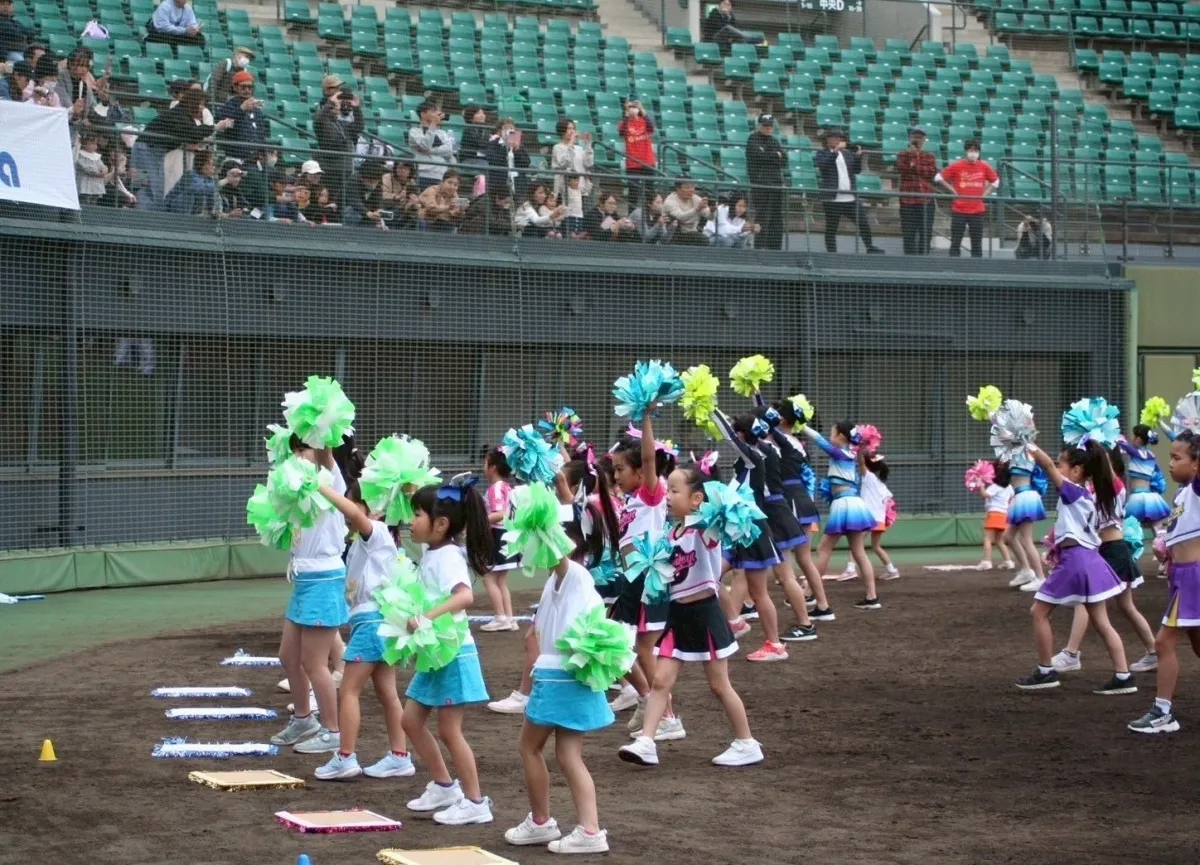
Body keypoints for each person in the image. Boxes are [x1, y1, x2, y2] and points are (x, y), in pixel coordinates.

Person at [618, 457, 764, 769]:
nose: (668, 496)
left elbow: (727, 514)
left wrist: (746, 474)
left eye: (674, 491)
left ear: (696, 498)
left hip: (705, 615)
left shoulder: (704, 530)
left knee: (719, 685)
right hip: (678, 617)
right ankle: (647, 742)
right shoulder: (670, 535)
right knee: (661, 682)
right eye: (667, 490)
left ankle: (747, 743)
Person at [503, 496, 614, 854]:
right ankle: (586, 829)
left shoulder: (573, 575)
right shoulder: (559, 578)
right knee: (567, 755)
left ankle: (544, 822)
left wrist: (543, 528)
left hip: (561, 678)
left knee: (530, 747)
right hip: (564, 676)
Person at [401, 480, 495, 826]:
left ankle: (475, 801)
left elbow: (464, 596)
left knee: (449, 731)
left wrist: (426, 617)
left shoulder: (449, 557)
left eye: (417, 514)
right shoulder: (434, 551)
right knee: (410, 720)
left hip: (453, 654)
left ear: (440, 524)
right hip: (437, 654)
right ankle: (444, 786)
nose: (411, 521)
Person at [311, 481, 413, 782]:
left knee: (349, 690)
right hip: (379, 623)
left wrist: (320, 487)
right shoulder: (364, 540)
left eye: (351, 501)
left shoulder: (375, 532)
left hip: (371, 624)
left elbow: (356, 515)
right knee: (387, 692)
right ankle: (399, 756)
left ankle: (346, 756)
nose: (346, 509)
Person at [1013, 442, 1134, 694]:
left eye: (1062, 464)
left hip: (1076, 560)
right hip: (1091, 560)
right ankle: (1123, 675)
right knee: (1102, 621)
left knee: (1038, 612)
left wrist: (1026, 443)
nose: (1058, 468)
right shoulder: (1086, 494)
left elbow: (1047, 465)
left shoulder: (1073, 490)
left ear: (1076, 470)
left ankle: (1045, 671)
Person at [269, 435, 352, 755]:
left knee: (315, 664)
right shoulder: (294, 485)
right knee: (288, 657)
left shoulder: (328, 477)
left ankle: (332, 731)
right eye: (295, 450)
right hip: (304, 578)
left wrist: (320, 432)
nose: (299, 456)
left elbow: (326, 455)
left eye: (304, 449)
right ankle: (304, 719)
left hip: (324, 578)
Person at [1050, 446, 1158, 676]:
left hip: (1113, 551)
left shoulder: (1114, 486)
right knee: (1124, 606)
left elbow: (1105, 466)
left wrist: (1095, 444)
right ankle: (1154, 651)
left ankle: (1071, 654)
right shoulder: (1092, 490)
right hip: (1107, 550)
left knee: (1087, 603)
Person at [609, 416, 680, 735]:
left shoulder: (651, 494)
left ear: (641, 472)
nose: (615, 476)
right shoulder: (634, 499)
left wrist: (647, 415)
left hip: (647, 581)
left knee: (643, 649)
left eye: (621, 469)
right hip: (632, 580)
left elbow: (650, 457)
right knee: (623, 644)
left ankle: (666, 716)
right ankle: (650, 703)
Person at [1128, 432, 1200, 733]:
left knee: (1163, 642)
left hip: (1194, 577)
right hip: (1182, 576)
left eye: (1177, 458)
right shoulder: (1182, 495)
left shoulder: (1196, 489)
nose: (1169, 463)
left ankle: (1163, 712)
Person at [805, 422, 882, 610]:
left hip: (844, 504)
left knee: (823, 549)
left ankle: (808, 593)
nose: (830, 435)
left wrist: (802, 425)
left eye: (832, 432)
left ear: (841, 436)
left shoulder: (840, 453)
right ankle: (872, 597)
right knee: (859, 552)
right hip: (854, 503)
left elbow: (819, 440)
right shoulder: (851, 454)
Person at [769, 397, 834, 620]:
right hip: (802, 501)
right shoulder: (796, 441)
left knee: (784, 567)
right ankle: (823, 606)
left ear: (782, 419)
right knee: (804, 559)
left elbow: (763, 423)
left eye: (775, 413)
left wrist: (755, 394)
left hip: (791, 503)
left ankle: (803, 620)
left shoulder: (780, 441)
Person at [814, 128, 884, 254]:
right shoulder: (822, 153)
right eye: (835, 138)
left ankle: (869, 246)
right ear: (828, 139)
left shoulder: (847, 154)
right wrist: (835, 151)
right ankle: (832, 252)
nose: (838, 140)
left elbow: (856, 170)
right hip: (833, 198)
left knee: (863, 222)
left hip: (850, 198)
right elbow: (823, 166)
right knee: (832, 227)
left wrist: (858, 157)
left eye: (839, 138)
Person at [935, 139, 999, 258]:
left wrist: (985, 194)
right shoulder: (957, 165)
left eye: (975, 150)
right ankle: (954, 265)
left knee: (977, 243)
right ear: (966, 151)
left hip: (977, 211)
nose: (973, 153)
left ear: (979, 152)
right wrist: (952, 190)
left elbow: (996, 181)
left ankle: (977, 266)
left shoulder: (984, 166)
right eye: (970, 150)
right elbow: (938, 177)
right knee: (955, 242)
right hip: (959, 210)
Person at [480, 446, 519, 631]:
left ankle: (500, 617)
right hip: (509, 536)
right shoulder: (507, 487)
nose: (483, 467)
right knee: (500, 580)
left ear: (493, 467)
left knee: (488, 577)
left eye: (485, 463)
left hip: (499, 536)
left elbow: (499, 513)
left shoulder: (495, 488)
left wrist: (478, 523)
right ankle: (509, 618)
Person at [1003, 450, 1049, 592]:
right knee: (1008, 537)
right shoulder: (1015, 454)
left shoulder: (1023, 453)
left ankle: (1040, 578)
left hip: (1025, 496)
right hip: (1021, 496)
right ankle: (1026, 571)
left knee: (1026, 539)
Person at [314, 86, 364, 207]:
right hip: (329, 169)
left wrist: (356, 108)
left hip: (345, 170)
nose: (337, 107)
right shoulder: (321, 123)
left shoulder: (342, 124)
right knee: (327, 201)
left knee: (340, 203)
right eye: (334, 106)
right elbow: (319, 119)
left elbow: (359, 127)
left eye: (337, 106)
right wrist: (331, 102)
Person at [1117, 425, 1173, 526]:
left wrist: (1115, 436)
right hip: (1151, 497)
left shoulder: (1136, 452)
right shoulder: (1151, 456)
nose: (1132, 439)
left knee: (1130, 526)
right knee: (1156, 527)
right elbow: (1159, 474)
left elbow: (1122, 444)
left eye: (1133, 436)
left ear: (1138, 439)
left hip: (1137, 497)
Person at [745, 114, 786, 250]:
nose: (768, 128)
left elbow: (784, 160)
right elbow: (759, 156)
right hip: (761, 185)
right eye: (765, 125)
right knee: (763, 217)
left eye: (770, 126)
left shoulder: (774, 141)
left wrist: (770, 155)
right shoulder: (753, 139)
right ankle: (760, 247)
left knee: (776, 218)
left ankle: (775, 248)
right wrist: (775, 155)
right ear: (760, 125)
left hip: (776, 184)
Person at [895, 126, 937, 255]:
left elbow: (931, 172)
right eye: (915, 137)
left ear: (924, 140)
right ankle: (910, 259)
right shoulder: (902, 154)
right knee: (908, 232)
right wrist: (913, 157)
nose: (917, 140)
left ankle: (924, 258)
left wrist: (914, 166)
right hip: (908, 200)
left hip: (926, 200)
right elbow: (902, 170)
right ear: (910, 138)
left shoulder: (929, 156)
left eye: (920, 138)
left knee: (926, 232)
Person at [861, 454, 899, 580]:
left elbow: (860, 462)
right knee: (876, 546)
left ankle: (850, 569)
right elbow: (890, 504)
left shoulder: (868, 477)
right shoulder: (882, 485)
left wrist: (859, 450)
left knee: (857, 544)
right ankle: (891, 570)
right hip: (880, 520)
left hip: (869, 518)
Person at [215, 70, 269, 159]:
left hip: (255, 158)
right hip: (236, 157)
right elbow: (219, 119)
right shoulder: (230, 104)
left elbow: (260, 132)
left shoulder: (256, 108)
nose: (247, 90)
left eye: (250, 87)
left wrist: (263, 152)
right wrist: (241, 109)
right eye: (243, 87)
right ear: (235, 88)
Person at [409, 100, 456, 191]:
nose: (437, 114)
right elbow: (425, 145)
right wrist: (433, 124)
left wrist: (430, 151)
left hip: (441, 175)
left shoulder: (442, 133)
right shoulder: (415, 131)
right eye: (433, 111)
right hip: (423, 174)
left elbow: (449, 150)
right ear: (423, 114)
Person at [618, 99, 656, 210]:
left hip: (648, 162)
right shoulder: (624, 123)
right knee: (633, 193)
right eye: (630, 107)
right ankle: (632, 216)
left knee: (650, 193)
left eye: (634, 107)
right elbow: (621, 132)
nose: (632, 109)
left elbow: (651, 127)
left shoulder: (644, 121)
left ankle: (650, 216)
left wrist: (642, 109)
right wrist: (626, 114)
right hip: (632, 164)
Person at [977, 461, 1015, 570]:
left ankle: (987, 562)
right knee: (999, 541)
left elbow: (984, 495)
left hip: (994, 514)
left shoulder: (995, 486)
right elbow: (1012, 498)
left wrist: (980, 484)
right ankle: (1008, 562)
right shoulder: (1009, 487)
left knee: (988, 539)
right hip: (1004, 515)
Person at [485, 117, 530, 204]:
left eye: (512, 128)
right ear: (500, 131)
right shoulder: (493, 143)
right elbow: (493, 159)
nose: (510, 131)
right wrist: (505, 148)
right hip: (500, 182)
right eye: (506, 128)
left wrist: (516, 150)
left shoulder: (520, 146)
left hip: (517, 182)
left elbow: (526, 162)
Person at [551, 118, 593, 202]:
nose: (572, 131)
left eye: (573, 128)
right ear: (562, 131)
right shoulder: (557, 147)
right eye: (569, 129)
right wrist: (571, 143)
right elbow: (564, 163)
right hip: (565, 190)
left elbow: (589, 163)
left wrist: (588, 145)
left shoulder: (579, 148)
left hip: (580, 189)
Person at [662, 178, 711, 245]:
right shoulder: (670, 201)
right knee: (703, 239)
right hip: (675, 235)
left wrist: (712, 211)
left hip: (692, 232)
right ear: (678, 189)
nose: (691, 190)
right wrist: (696, 209)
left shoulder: (695, 198)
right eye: (687, 188)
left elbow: (710, 216)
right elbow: (681, 217)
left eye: (692, 187)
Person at [343, 160, 386, 228]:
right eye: (369, 181)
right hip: (350, 209)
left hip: (367, 211)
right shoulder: (353, 181)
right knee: (351, 212)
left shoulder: (378, 182)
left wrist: (378, 211)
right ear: (362, 178)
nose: (372, 184)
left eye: (375, 182)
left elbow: (378, 199)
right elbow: (355, 201)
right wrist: (368, 213)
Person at [380, 160, 420, 230]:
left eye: (406, 169)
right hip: (387, 209)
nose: (402, 171)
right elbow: (381, 194)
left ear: (410, 171)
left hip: (403, 211)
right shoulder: (387, 177)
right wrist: (396, 197)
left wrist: (414, 201)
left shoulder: (411, 181)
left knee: (416, 215)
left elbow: (414, 198)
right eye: (400, 168)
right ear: (395, 169)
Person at [74, 130, 109, 205]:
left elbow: (102, 166)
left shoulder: (96, 156)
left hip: (96, 185)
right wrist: (96, 173)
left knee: (93, 202)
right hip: (85, 185)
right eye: (92, 143)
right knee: (85, 201)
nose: (95, 146)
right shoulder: (80, 155)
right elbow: (84, 167)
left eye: (96, 143)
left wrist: (104, 170)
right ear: (84, 144)